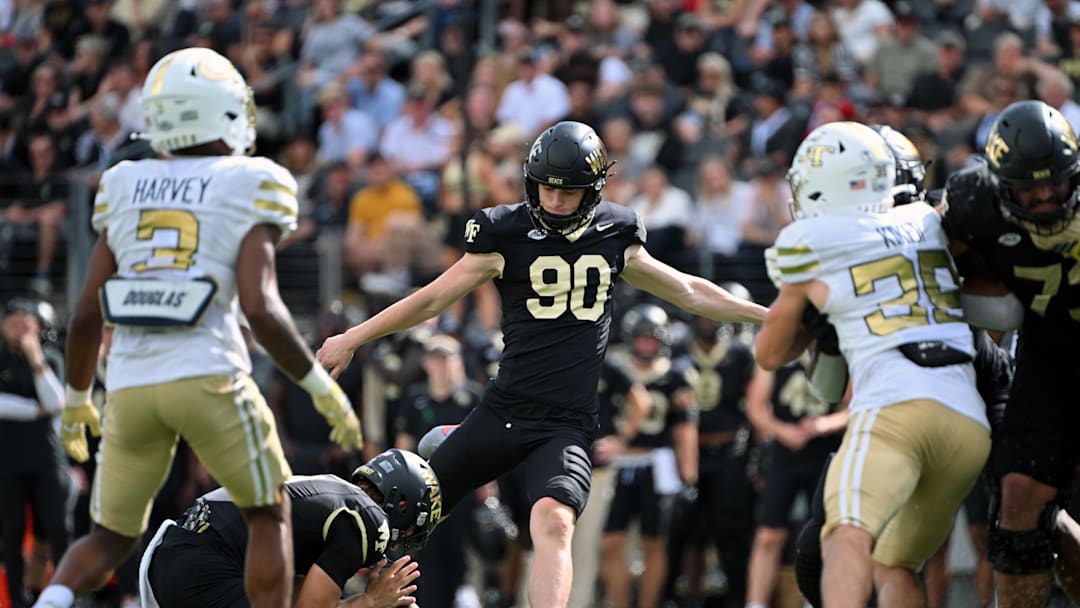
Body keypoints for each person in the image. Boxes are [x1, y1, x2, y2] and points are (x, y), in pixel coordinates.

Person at [317, 120, 768, 607]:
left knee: (554, 521)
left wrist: (770, 315)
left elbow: (688, 290)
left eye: (567, 192)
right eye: (547, 188)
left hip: (566, 424)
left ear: (592, 191)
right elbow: (431, 300)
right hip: (502, 412)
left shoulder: (615, 232)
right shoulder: (503, 232)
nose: (554, 201)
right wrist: (354, 337)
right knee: (402, 507)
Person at [33, 47, 362, 608]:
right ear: (229, 114)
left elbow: (87, 312)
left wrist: (77, 398)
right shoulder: (250, 179)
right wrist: (320, 388)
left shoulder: (124, 182)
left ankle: (52, 600)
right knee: (268, 513)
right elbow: (260, 308)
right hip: (211, 377)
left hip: (131, 386)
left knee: (108, 537)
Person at [756, 121, 991, 608]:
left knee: (844, 537)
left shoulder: (809, 239)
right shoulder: (928, 220)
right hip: (969, 422)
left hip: (896, 408)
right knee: (894, 565)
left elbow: (770, 354)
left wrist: (798, 303)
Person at [940, 99, 1080, 608]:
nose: (1044, 196)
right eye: (1029, 186)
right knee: (1018, 497)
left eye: (1056, 182)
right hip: (1052, 354)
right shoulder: (971, 202)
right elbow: (923, 264)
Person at [138, 448, 435, 608]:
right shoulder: (367, 518)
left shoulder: (332, 497)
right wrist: (370, 601)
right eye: (410, 531)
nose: (399, 542)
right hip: (203, 565)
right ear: (401, 505)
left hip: (172, 555)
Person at [600, 303, 698, 608]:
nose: (647, 344)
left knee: (654, 542)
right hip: (618, 465)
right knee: (610, 541)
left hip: (657, 463)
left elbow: (685, 430)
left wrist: (689, 476)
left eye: (653, 338)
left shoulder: (677, 376)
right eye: (642, 338)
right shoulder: (615, 369)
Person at [0, 297, 70, 608]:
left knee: (57, 530)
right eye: (11, 321)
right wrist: (34, 409)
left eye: (25, 322)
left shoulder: (51, 358)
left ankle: (61, 596)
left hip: (47, 461)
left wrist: (35, 356)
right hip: (8, 464)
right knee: (12, 536)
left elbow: (56, 402)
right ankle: (18, 601)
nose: (18, 327)